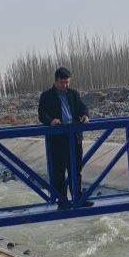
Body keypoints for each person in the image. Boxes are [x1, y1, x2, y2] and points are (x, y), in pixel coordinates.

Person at [38, 67, 92, 208]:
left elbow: (82, 107)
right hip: (57, 139)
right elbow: (42, 114)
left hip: (74, 137)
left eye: (67, 82)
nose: (65, 85)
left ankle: (78, 198)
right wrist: (51, 121)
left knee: (76, 169)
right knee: (59, 171)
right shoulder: (46, 96)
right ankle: (62, 201)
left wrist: (85, 116)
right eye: (62, 82)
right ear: (56, 81)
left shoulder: (74, 94)